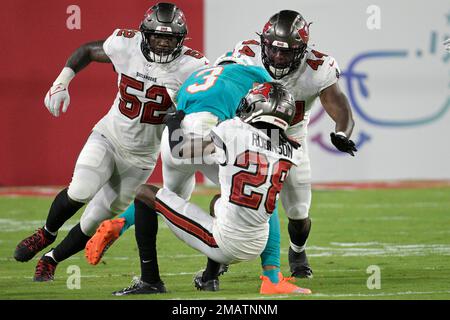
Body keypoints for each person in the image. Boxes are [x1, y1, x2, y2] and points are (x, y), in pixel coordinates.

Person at [13, 2, 208, 282]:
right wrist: (61, 81)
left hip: (141, 159)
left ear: (181, 39)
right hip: (109, 136)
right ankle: (46, 233)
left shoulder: (193, 66)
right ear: (145, 34)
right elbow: (88, 51)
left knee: (93, 221)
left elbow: (207, 96)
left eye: (170, 38)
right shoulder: (125, 44)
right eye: (157, 37)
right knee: (80, 189)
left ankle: (50, 260)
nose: (163, 44)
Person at [87, 58, 305, 294]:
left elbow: (182, 149)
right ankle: (255, 275)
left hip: (222, 238)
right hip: (258, 241)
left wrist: (172, 123)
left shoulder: (232, 129)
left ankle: (149, 278)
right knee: (230, 200)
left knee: (147, 194)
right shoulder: (291, 149)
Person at [224, 10, 357, 278]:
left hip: (290, 138)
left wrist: (342, 133)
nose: (278, 57)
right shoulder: (246, 55)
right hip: (246, 135)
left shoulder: (318, 68)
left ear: (302, 51)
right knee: (233, 199)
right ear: (263, 43)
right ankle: (217, 258)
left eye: (286, 52)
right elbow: (218, 85)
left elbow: (341, 109)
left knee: (298, 212)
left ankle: (297, 251)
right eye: (273, 50)